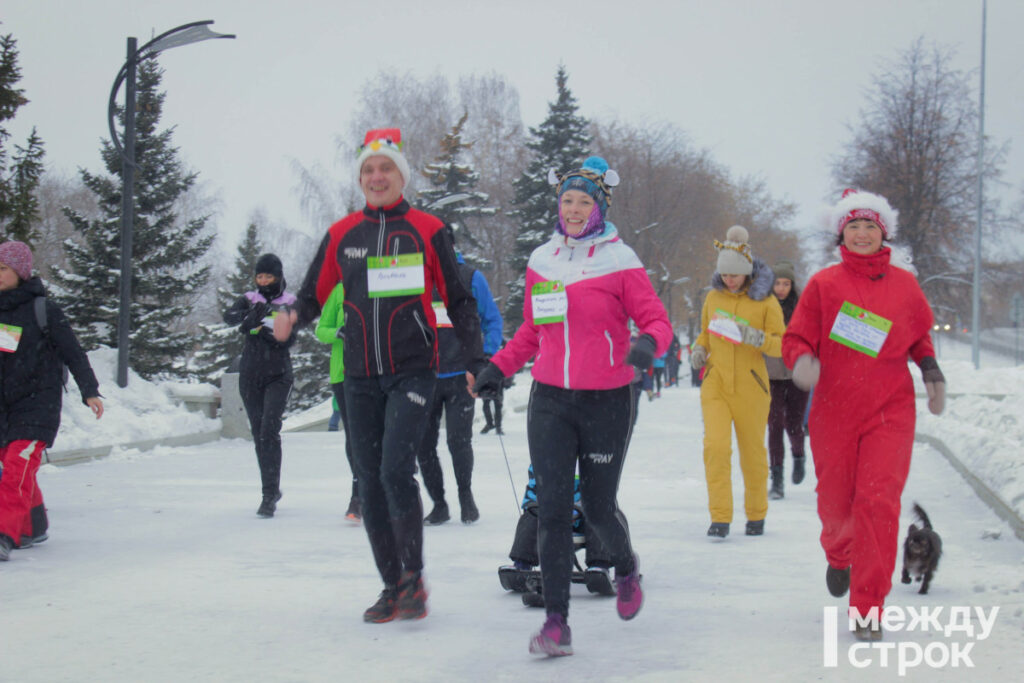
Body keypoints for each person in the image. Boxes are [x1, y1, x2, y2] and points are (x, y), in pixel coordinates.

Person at [469, 156, 671, 657]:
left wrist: (647, 346)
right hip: (550, 401)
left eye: (585, 201)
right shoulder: (544, 260)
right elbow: (533, 332)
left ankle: (625, 567)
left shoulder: (620, 259)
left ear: (599, 206)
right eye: (568, 200)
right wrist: (499, 367)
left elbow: (657, 321)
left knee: (598, 507)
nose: (575, 209)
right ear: (558, 205)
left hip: (607, 399)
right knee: (553, 511)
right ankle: (557, 622)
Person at [282, 128, 486, 624]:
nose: (377, 177)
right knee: (369, 479)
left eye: (386, 169)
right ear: (360, 179)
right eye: (369, 170)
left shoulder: (428, 229)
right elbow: (311, 294)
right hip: (358, 376)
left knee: (397, 469)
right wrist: (290, 317)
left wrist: (479, 361)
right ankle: (391, 584)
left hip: (413, 370)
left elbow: (458, 299)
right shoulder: (341, 234)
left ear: (401, 176)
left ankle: (413, 577)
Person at [782, 189, 945, 640]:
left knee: (878, 503)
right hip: (834, 410)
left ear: (883, 233)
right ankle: (839, 554)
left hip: (889, 410)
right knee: (835, 504)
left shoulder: (904, 286)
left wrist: (930, 370)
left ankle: (868, 607)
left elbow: (919, 339)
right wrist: (801, 360)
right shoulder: (824, 284)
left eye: (870, 226)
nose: (861, 233)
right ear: (842, 233)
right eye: (853, 226)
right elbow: (797, 336)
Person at [0, 241, 103, 561]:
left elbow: (73, 350)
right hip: (5, 405)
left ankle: (4, 533)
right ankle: (34, 522)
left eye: (2, 268)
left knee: (17, 466)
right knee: (16, 466)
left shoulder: (43, 309)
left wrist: (90, 390)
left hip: (38, 403)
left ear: (20, 272)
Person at [691, 225, 785, 539]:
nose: (730, 280)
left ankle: (756, 515)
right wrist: (699, 349)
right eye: (725, 275)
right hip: (716, 382)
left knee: (752, 454)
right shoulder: (713, 298)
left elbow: (781, 345)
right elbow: (705, 331)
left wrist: (753, 337)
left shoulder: (766, 303)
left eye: (736, 275)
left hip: (751, 385)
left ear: (747, 272)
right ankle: (720, 517)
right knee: (715, 448)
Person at [418, 229, 503, 525]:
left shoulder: (470, 277)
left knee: (458, 440)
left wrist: (484, 360)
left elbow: (492, 320)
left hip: (461, 376)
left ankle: (466, 496)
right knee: (423, 444)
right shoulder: (417, 280)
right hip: (423, 377)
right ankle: (439, 503)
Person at [222, 253, 297, 518]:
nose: (263, 281)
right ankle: (271, 488)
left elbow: (291, 340)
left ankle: (268, 497)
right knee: (258, 433)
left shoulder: (289, 302)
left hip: (278, 374)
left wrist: (272, 333)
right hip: (250, 374)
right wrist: (248, 319)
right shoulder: (250, 298)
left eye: (268, 276)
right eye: (259, 276)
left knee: (269, 429)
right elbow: (228, 317)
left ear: (278, 276)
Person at [314, 282, 360, 522]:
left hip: (378, 372)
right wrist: (337, 332)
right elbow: (321, 330)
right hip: (343, 374)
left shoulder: (383, 280)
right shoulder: (340, 290)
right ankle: (358, 495)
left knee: (375, 435)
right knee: (353, 437)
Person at [764, 260, 810, 500]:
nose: (781, 288)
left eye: (786, 284)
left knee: (793, 423)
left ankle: (799, 455)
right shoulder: (762, 306)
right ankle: (777, 478)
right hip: (770, 373)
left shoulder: (803, 309)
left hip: (796, 373)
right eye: (777, 283)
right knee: (774, 425)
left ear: (792, 286)